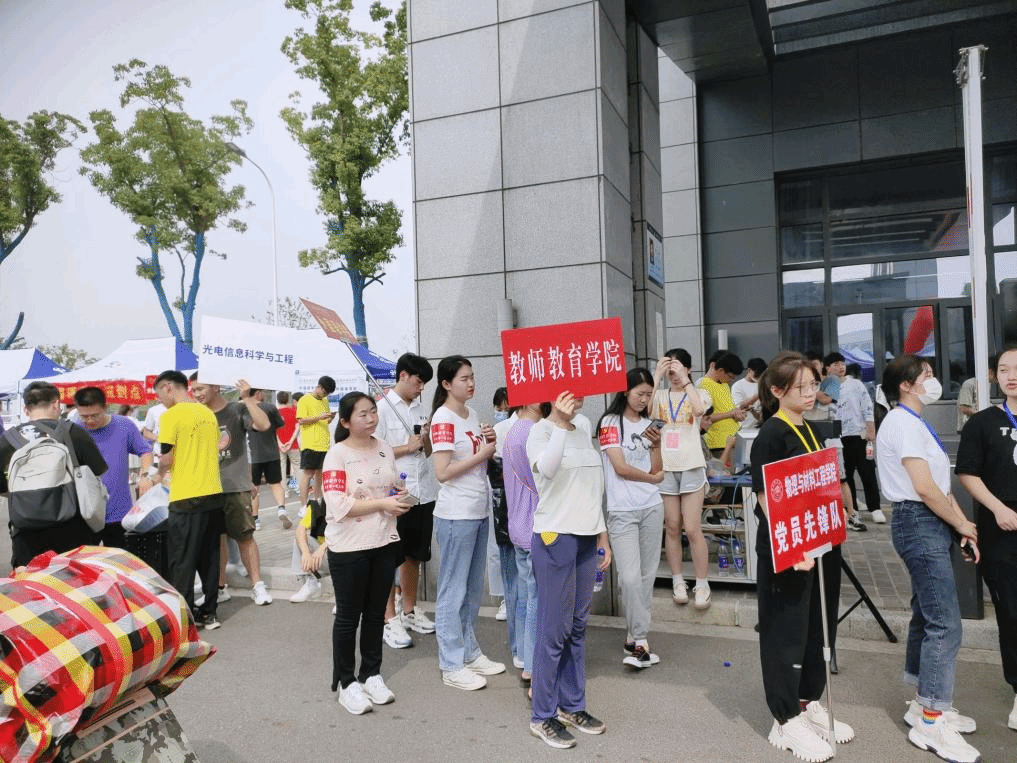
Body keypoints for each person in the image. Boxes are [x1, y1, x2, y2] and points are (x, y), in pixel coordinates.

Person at [750, 351, 854, 763]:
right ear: (777, 391)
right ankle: (785, 717)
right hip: (789, 549)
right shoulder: (771, 434)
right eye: (802, 387)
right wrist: (792, 549)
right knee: (785, 630)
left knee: (817, 626)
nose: (811, 393)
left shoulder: (809, 427)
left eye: (813, 385)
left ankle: (808, 701)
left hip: (819, 542)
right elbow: (767, 497)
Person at [875, 354, 980, 763]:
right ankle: (931, 721)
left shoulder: (915, 423)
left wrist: (961, 526)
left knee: (928, 612)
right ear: (906, 385)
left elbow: (941, 487)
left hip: (930, 521)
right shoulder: (902, 423)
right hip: (918, 520)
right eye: (928, 375)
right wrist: (962, 523)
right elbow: (924, 488)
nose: (934, 381)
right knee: (944, 622)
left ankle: (924, 704)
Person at [526, 391, 611, 749]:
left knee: (577, 626)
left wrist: (602, 535)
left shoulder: (586, 424)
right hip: (555, 536)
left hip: (586, 536)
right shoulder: (539, 431)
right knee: (554, 629)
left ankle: (571, 705)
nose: (577, 396)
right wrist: (560, 423)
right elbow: (547, 470)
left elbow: (592, 487)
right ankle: (542, 714)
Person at [323, 391, 411, 715]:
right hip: (349, 547)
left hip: (383, 540)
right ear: (345, 421)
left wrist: (398, 494)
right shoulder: (337, 455)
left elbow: (389, 485)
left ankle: (372, 673)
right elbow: (338, 504)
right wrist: (382, 503)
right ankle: (347, 683)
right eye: (362, 414)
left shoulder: (384, 447)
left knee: (376, 614)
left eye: (373, 411)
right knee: (349, 617)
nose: (371, 418)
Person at [429, 355, 504, 691]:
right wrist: (481, 454)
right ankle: (451, 663)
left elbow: (478, 460)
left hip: (477, 510)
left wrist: (488, 442)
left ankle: (469, 652)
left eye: (472, 377)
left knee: (472, 589)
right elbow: (442, 472)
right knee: (453, 590)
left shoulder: (471, 414)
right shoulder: (443, 418)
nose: (471, 383)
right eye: (463, 378)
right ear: (446, 384)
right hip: (455, 514)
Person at [956, 347, 1017, 733]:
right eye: (1004, 369)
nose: (1012, 375)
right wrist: (997, 509)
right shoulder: (982, 423)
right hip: (1002, 528)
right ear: (995, 376)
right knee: (1011, 611)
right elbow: (967, 472)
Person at [597, 368, 664, 668]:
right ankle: (640, 639)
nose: (644, 399)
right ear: (625, 391)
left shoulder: (651, 425)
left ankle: (635, 637)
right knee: (630, 578)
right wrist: (651, 479)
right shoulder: (609, 423)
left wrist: (657, 445)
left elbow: (658, 468)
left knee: (647, 576)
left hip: (652, 507)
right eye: (640, 394)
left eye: (649, 395)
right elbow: (620, 468)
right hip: (622, 511)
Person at [0, 381, 108, 569]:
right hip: (72, 528)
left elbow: (2, 488)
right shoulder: (73, 432)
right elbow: (98, 470)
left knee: (33, 582)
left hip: (26, 532)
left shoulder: (8, 440)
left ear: (26, 409)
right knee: (73, 582)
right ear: (56, 404)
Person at [190, 374, 274, 607]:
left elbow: (264, 425)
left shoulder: (236, 410)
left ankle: (257, 586)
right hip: (207, 487)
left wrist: (247, 398)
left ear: (215, 386)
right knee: (215, 541)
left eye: (200, 389)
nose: (197, 394)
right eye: (193, 390)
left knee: (245, 537)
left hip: (235, 486)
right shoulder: (196, 414)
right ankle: (219, 589)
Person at [375, 353, 439, 649]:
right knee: (390, 557)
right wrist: (406, 447)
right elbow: (374, 451)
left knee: (415, 554)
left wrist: (425, 440)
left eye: (425, 383)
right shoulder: (381, 409)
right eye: (418, 381)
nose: (421, 387)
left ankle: (409, 610)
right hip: (395, 494)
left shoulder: (422, 410)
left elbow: (427, 452)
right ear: (402, 375)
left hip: (422, 492)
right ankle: (389, 618)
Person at [154, 370, 225, 630]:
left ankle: (185, 618)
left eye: (159, 394)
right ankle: (210, 612)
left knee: (182, 558)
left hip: (186, 495)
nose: (160, 400)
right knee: (209, 556)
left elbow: (167, 457)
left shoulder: (170, 416)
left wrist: (156, 475)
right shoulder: (207, 414)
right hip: (213, 493)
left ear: (168, 387)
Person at [652, 348, 711, 609]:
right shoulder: (659, 394)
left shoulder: (699, 392)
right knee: (673, 526)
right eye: (670, 370)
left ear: (688, 368)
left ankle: (702, 583)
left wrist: (686, 381)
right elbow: (645, 414)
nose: (673, 374)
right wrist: (656, 377)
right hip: (665, 467)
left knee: (693, 527)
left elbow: (699, 410)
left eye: (678, 368)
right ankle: (678, 580)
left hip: (692, 465)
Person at [504, 401, 550, 685]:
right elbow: (543, 480)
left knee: (525, 596)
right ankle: (532, 665)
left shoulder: (514, 429)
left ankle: (523, 654)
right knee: (536, 599)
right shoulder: (532, 431)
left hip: (519, 524)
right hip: (535, 525)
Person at [73, 386, 154, 548]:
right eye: (84, 416)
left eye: (95, 415)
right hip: (86, 513)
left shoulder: (124, 425)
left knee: (122, 559)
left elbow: (145, 451)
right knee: (86, 560)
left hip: (119, 511)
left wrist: (145, 476)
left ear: (105, 407)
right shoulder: (74, 430)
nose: (90, 421)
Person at [838, 363, 885, 524]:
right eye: (835, 364)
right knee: (846, 475)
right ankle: (853, 508)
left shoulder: (856, 385)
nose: (839, 367)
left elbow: (867, 407)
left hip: (859, 434)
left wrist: (871, 429)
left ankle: (875, 507)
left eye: (841, 364)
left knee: (867, 471)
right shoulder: (826, 387)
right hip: (839, 437)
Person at [245, 388, 290, 531]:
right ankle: (281, 508)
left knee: (255, 488)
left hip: (253, 455)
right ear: (258, 393)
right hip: (272, 453)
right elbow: (280, 424)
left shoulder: (244, 409)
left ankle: (255, 519)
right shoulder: (270, 407)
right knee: (276, 484)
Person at [698, 351, 746, 465]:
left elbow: (729, 410)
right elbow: (703, 418)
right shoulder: (703, 385)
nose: (731, 380)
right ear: (720, 370)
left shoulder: (724, 385)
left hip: (731, 441)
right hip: (716, 444)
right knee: (721, 473)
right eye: (730, 376)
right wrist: (731, 414)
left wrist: (737, 415)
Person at [297, 376, 336, 512]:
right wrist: (320, 417)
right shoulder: (305, 399)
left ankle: (318, 501)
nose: (324, 395)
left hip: (324, 443)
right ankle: (303, 505)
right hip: (310, 443)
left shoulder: (325, 401)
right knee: (308, 474)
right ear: (318, 386)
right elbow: (301, 420)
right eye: (324, 392)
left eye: (327, 394)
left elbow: (325, 422)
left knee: (320, 474)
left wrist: (330, 418)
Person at [956, 358, 997, 434]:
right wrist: (986, 415)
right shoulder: (969, 384)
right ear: (990, 371)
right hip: (969, 428)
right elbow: (964, 408)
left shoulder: (987, 384)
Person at [731, 357, 767, 432]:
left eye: (761, 374)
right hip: (743, 428)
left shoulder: (763, 385)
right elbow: (739, 407)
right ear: (749, 371)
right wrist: (758, 395)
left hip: (760, 428)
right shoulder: (738, 385)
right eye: (757, 374)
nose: (759, 377)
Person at [276, 391, 299, 493]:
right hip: (293, 445)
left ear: (277, 400)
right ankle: (301, 489)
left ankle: (284, 492)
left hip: (279, 446)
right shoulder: (294, 411)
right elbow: (297, 428)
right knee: (298, 467)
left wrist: (280, 443)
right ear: (288, 400)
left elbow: (273, 430)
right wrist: (290, 441)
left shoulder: (275, 413)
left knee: (281, 468)